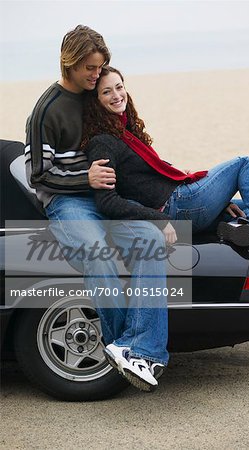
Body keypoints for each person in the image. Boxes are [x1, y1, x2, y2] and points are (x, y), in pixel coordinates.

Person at [25, 26, 169, 392]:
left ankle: (137, 348)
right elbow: (37, 176)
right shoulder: (46, 110)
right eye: (89, 68)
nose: (96, 74)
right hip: (66, 202)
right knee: (98, 254)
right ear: (69, 64)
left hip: (102, 197)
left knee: (151, 243)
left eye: (99, 66)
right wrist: (83, 181)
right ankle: (116, 346)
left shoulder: (93, 96)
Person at [81, 66, 249, 247]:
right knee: (244, 164)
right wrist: (160, 220)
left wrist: (218, 201)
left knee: (247, 205)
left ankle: (232, 226)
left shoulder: (124, 132)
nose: (117, 95)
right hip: (177, 206)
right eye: (107, 92)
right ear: (96, 101)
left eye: (119, 87)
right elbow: (107, 202)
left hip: (180, 206)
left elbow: (141, 177)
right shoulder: (103, 142)